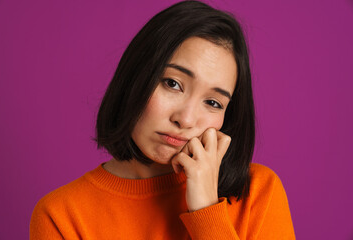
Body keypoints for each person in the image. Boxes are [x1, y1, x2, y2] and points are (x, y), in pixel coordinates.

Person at [30, 1, 295, 239]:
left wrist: (206, 211)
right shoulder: (60, 215)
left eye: (213, 103)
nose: (186, 119)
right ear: (136, 78)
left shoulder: (258, 193)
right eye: (172, 84)